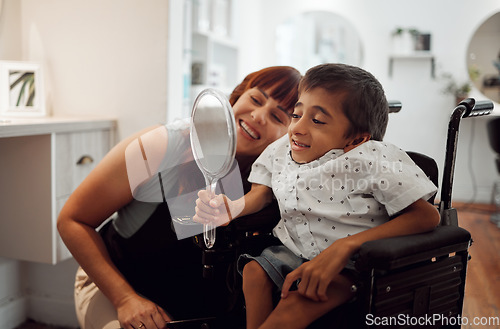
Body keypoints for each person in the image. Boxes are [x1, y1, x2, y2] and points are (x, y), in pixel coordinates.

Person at [194, 63, 440, 329]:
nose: (297, 128)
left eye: (318, 121)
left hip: (355, 264)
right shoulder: (280, 150)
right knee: (254, 271)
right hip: (293, 250)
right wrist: (232, 207)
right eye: (296, 115)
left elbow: (427, 216)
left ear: (357, 140)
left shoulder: (372, 158)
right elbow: (262, 194)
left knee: (296, 304)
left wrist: (345, 247)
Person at [57, 66, 301, 329]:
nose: (258, 116)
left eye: (277, 117)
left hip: (186, 304)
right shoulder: (165, 144)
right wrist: (125, 298)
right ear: (236, 97)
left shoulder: (277, 179)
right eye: (255, 99)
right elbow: (72, 220)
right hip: (116, 284)